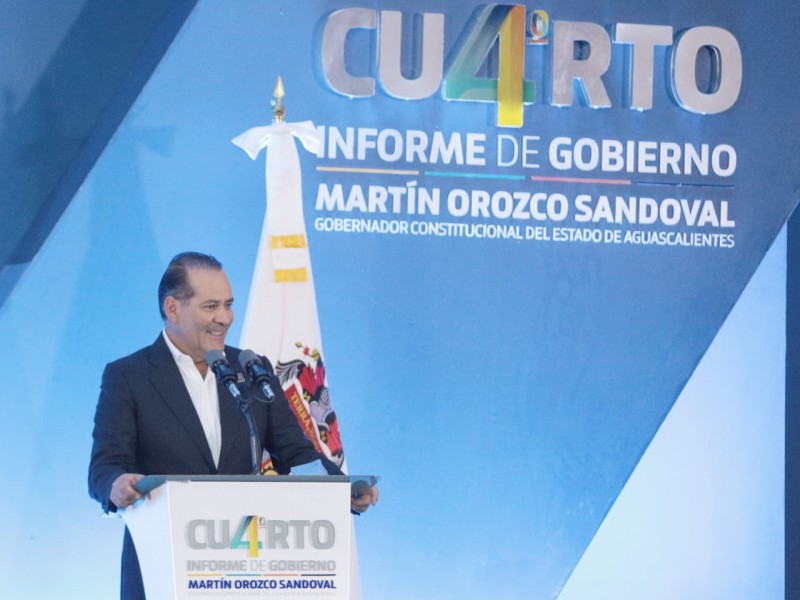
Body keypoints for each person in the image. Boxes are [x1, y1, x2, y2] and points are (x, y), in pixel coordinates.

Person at [88, 251, 377, 600]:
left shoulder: (251, 370)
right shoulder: (128, 377)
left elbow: (296, 452)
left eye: (228, 305)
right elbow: (104, 467)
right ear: (173, 308)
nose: (224, 318)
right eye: (211, 306)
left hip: (241, 573)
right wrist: (115, 485)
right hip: (161, 570)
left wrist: (343, 488)